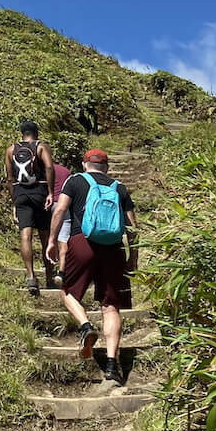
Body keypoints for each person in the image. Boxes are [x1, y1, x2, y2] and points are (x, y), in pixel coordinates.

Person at [47, 149, 137, 386]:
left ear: (85, 164)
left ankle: (86, 325)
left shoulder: (75, 180)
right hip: (114, 248)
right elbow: (133, 228)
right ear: (106, 167)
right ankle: (111, 365)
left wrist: (52, 241)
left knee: (67, 291)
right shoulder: (119, 187)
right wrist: (133, 256)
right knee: (110, 306)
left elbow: (59, 210)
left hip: (82, 242)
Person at [4, 121, 66, 296]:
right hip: (39, 191)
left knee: (26, 235)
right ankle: (48, 277)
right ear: (36, 133)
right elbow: (48, 167)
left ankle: (31, 277)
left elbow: (10, 178)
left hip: (20, 194)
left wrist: (15, 202)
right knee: (45, 235)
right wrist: (50, 193)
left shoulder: (10, 150)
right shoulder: (41, 147)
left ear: (22, 133)